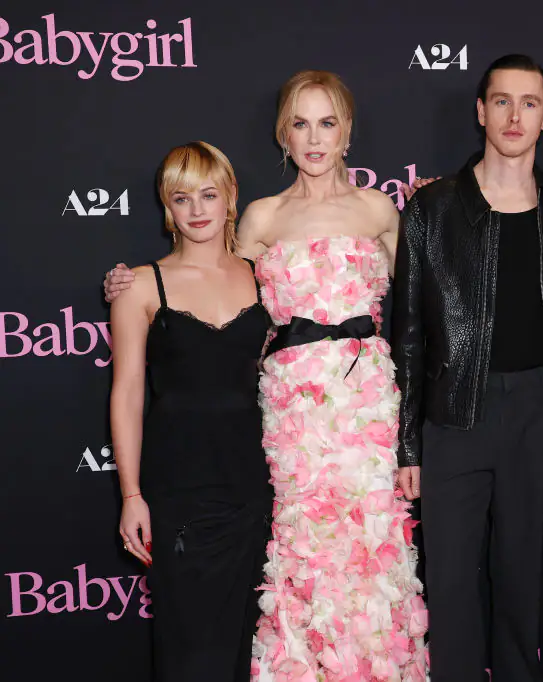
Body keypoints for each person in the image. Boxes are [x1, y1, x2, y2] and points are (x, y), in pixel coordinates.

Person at [104, 70, 428, 682]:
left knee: (368, 555)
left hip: (365, 410)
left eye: (326, 122)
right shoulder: (259, 220)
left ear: (348, 131)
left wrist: (440, 206)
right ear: (283, 134)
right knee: (301, 556)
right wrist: (127, 286)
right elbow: (220, 292)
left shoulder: (379, 210)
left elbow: (419, 307)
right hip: (292, 415)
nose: (314, 138)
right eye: (299, 124)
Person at [391, 54, 543, 682]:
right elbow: (406, 334)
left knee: (521, 579)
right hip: (453, 414)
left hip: (540, 410)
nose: (515, 115)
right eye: (502, 101)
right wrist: (408, 444)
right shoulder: (432, 209)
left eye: (529, 102)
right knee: (450, 586)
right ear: (481, 111)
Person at [110, 141, 274, 682]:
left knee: (258, 647)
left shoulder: (269, 275)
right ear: (167, 207)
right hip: (179, 488)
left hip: (258, 485)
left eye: (209, 194)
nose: (197, 209)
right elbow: (129, 391)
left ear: (231, 199)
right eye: (183, 198)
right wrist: (131, 495)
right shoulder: (137, 285)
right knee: (189, 650)